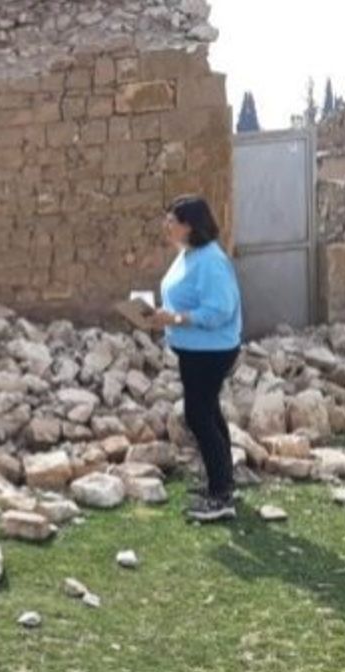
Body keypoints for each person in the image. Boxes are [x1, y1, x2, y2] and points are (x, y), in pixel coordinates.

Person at [150, 195, 243, 523]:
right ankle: (223, 484)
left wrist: (175, 319)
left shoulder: (210, 261)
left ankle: (221, 497)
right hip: (194, 350)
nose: (166, 226)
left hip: (210, 351)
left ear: (189, 225)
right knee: (208, 412)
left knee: (199, 416)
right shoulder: (189, 254)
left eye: (171, 221)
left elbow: (220, 310)